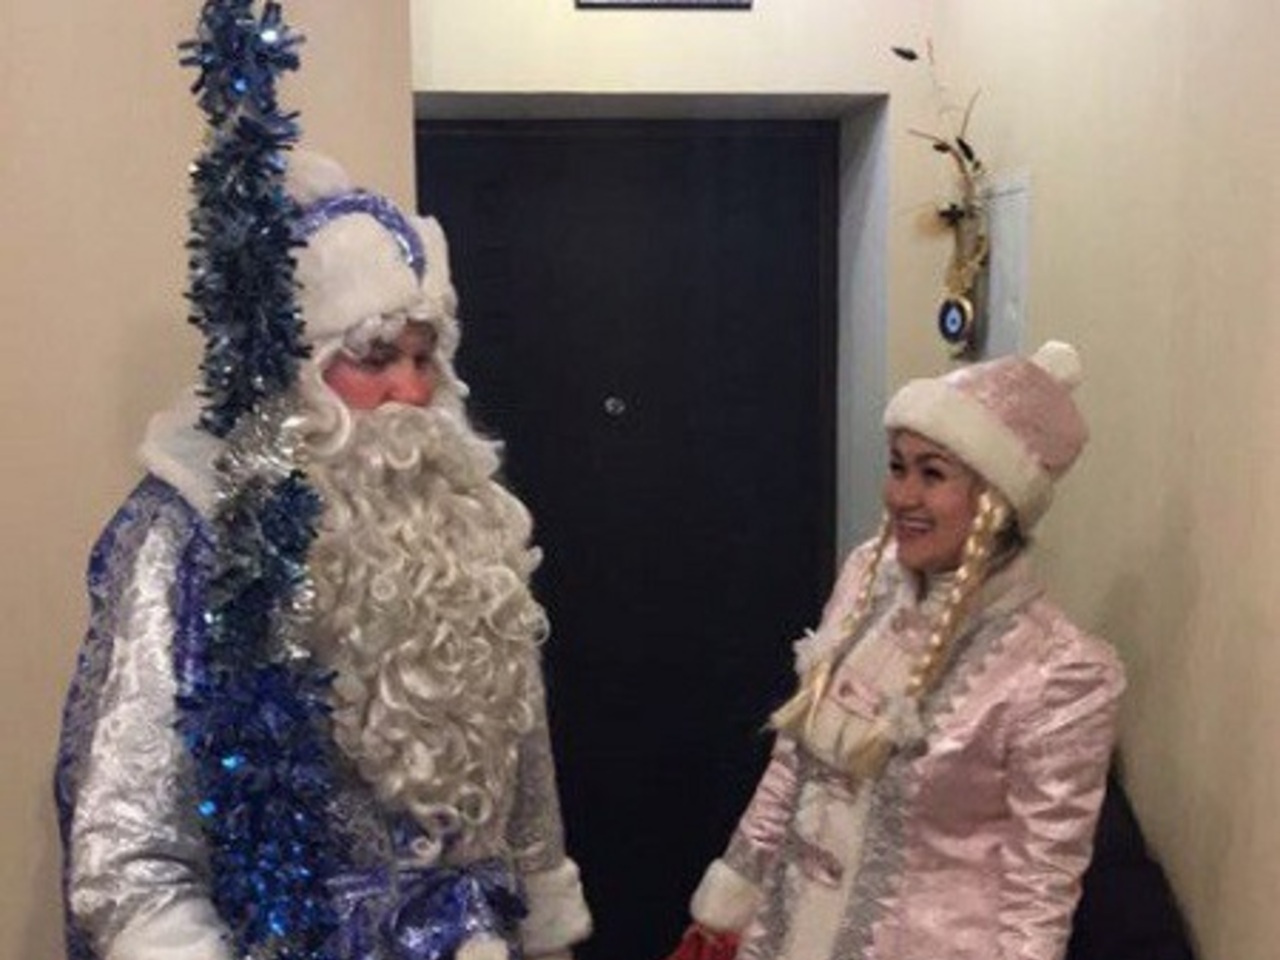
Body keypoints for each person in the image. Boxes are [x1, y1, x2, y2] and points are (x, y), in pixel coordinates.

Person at [54, 152, 592, 960]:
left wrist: (545, 921)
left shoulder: (468, 523)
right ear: (295, 373)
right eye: (376, 359)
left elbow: (525, 774)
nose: (411, 391)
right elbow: (127, 846)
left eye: (424, 358)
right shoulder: (194, 532)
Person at [668, 342, 1125, 960]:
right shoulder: (866, 579)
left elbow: (1039, 891)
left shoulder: (1059, 673)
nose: (902, 496)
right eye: (898, 467)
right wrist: (728, 902)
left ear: (997, 501)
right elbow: (793, 763)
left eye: (932, 475)